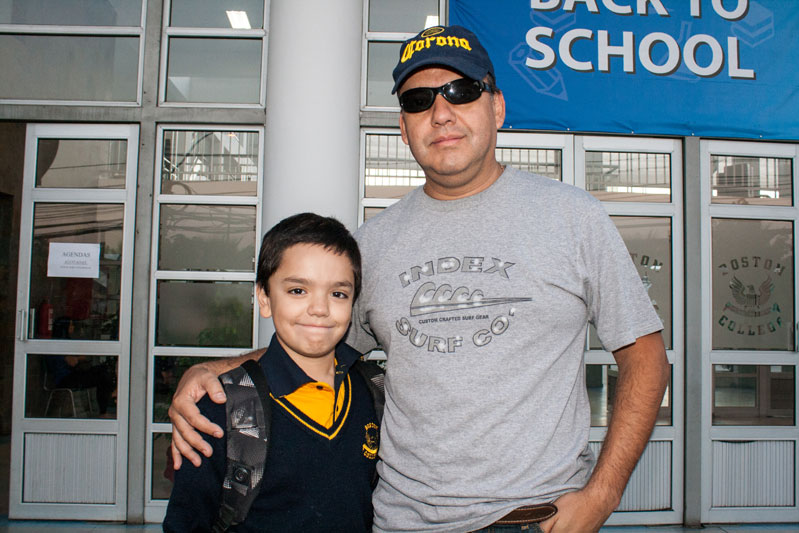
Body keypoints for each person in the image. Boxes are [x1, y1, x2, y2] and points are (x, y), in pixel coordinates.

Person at [168, 25, 669, 533]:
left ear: (497, 107)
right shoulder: (371, 245)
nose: (441, 112)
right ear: (403, 128)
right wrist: (218, 370)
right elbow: (321, 344)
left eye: (462, 91)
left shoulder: (572, 217)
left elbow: (645, 358)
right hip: (403, 522)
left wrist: (602, 496)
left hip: (537, 518)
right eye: (419, 99)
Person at [163, 213, 380, 532]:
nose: (319, 308)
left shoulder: (372, 394)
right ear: (264, 298)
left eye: (338, 293)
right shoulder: (220, 408)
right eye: (297, 290)